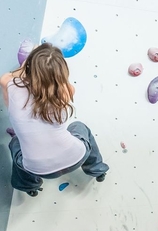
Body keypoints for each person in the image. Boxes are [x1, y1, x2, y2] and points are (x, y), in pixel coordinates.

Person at [1, 43, 109, 196]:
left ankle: (29, 186)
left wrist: (24, 66)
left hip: (38, 169)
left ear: (29, 69)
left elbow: (5, 78)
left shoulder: (12, 88)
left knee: (15, 144)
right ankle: (97, 169)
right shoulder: (66, 90)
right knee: (79, 127)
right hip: (76, 157)